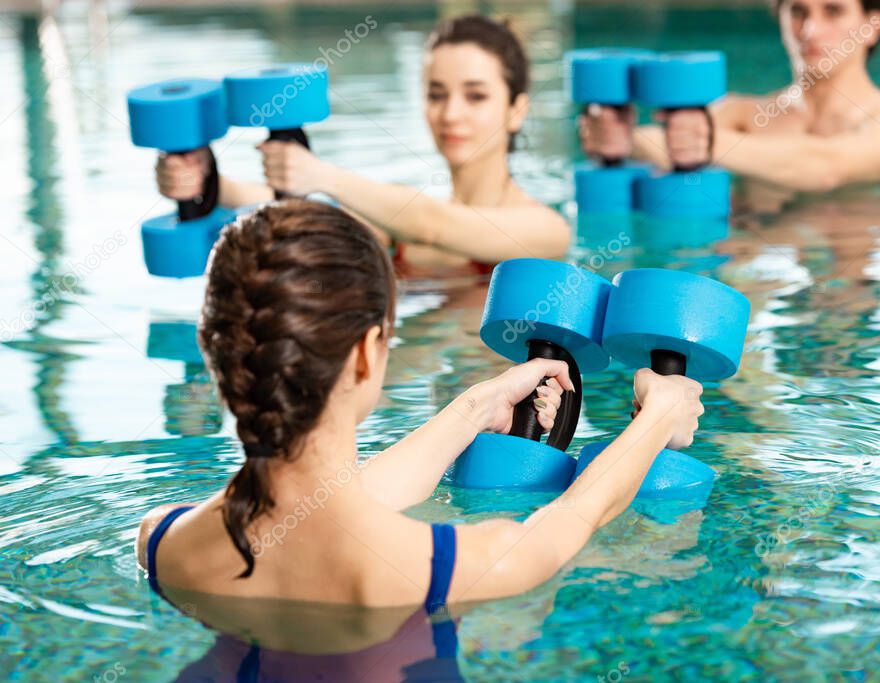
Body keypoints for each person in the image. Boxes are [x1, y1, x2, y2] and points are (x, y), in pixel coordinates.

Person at [135, 200, 703, 610]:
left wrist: (476, 409)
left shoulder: (160, 542)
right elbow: (570, 521)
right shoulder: (423, 569)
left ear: (217, 352)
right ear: (365, 353)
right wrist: (657, 418)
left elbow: (320, 505)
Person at [155, 15, 569, 275]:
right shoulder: (392, 228)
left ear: (516, 110)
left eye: (475, 95)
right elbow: (298, 205)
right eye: (437, 94)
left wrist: (319, 172)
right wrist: (204, 181)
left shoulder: (546, 231)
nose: (451, 114)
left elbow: (433, 223)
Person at [579, 0, 880, 192]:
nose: (810, 30)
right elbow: (666, 143)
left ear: (873, 25)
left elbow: (828, 168)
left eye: (833, 11)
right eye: (797, 11)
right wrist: (619, 140)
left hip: (854, 292)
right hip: (759, 278)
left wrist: (707, 142)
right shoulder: (741, 115)